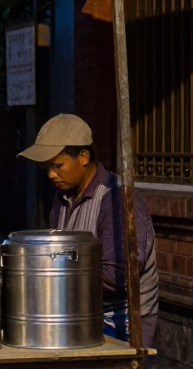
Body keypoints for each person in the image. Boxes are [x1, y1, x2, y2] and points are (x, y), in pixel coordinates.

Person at [18, 113, 159, 346]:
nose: (51, 174)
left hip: (121, 323)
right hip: (79, 316)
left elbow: (117, 277)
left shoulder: (116, 200)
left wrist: (49, 279)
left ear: (83, 156)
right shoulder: (62, 199)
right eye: (47, 168)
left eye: (57, 165)